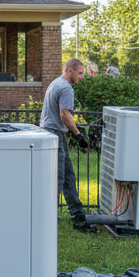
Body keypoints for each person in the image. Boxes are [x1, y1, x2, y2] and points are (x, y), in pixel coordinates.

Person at [40, 57, 89, 229]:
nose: (82, 76)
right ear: (70, 70)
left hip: (50, 133)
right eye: (80, 73)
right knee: (58, 180)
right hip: (55, 134)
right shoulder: (66, 88)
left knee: (68, 178)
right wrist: (78, 135)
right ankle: (45, 220)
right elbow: (64, 114)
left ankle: (79, 220)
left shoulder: (55, 83)